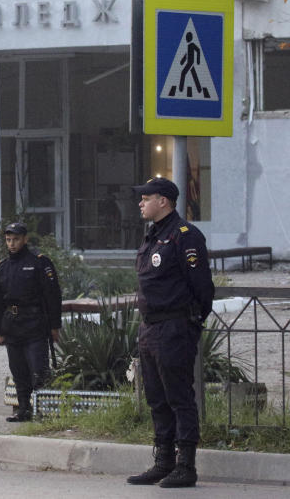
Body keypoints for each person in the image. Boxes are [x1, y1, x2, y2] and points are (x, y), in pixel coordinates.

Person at [127, 177, 214, 488]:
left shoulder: (184, 236)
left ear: (163, 201)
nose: (141, 202)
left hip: (175, 326)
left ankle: (185, 465)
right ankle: (163, 461)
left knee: (179, 397)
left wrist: (190, 321)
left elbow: (203, 287)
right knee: (157, 399)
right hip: (151, 328)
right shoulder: (154, 235)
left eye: (146, 197)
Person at [0, 222, 62, 422]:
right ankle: (23, 409)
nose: (11, 244)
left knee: (38, 369)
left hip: (35, 324)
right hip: (12, 325)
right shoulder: (3, 267)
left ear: (25, 239)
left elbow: (53, 296)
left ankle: (44, 409)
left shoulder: (39, 263)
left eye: (15, 239)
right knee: (18, 370)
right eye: (8, 240)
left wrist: (54, 326)